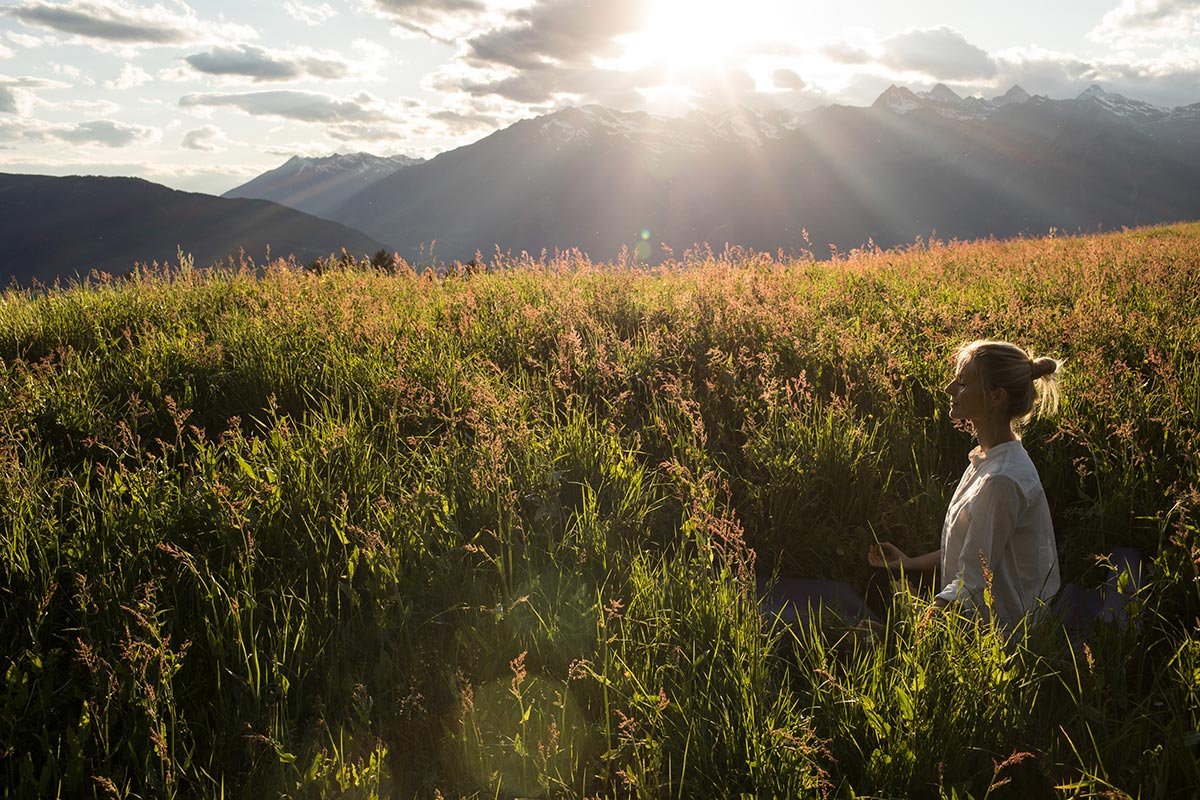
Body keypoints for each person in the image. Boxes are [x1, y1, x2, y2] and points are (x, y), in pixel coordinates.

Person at [868, 340, 1062, 626]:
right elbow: (974, 550)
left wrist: (907, 639)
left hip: (1002, 638)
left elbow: (970, 580)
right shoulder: (990, 459)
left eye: (961, 383)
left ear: (996, 397)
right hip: (984, 622)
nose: (949, 389)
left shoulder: (1000, 479)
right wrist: (908, 563)